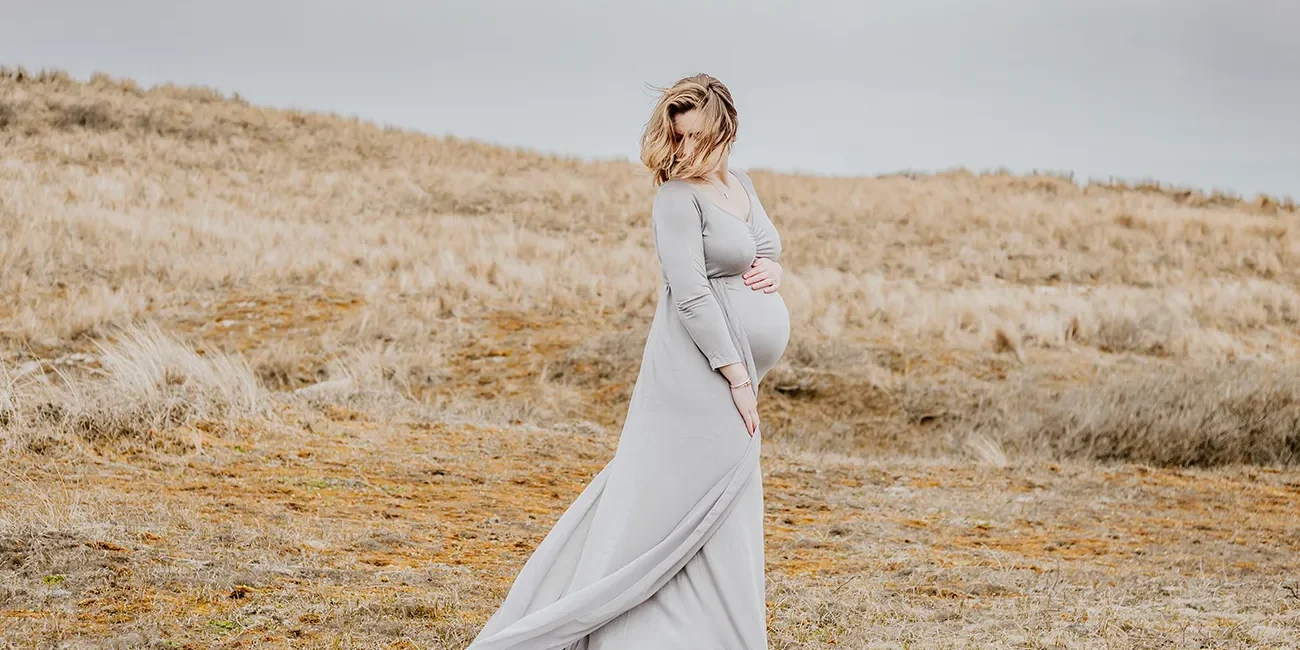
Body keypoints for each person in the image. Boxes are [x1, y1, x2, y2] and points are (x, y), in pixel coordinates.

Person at [466, 73, 789, 650]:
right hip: (702, 372)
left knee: (719, 499)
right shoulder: (675, 199)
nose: (687, 150)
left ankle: (712, 633)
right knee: (663, 495)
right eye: (679, 137)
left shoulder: (739, 185)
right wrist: (736, 375)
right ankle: (588, 618)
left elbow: (766, 246)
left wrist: (776, 273)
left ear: (725, 131)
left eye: (698, 137)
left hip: (732, 372)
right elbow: (689, 293)